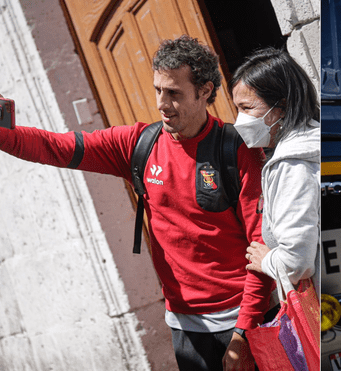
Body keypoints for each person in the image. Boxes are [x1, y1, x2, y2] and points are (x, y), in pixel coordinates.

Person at [0, 35, 273, 371]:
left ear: (204, 91)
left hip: (243, 322)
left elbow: (263, 247)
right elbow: (55, 146)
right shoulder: (137, 143)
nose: (162, 102)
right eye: (159, 89)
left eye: (173, 92)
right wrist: (3, 133)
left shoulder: (239, 150)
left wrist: (244, 333)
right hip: (184, 326)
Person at [230, 47, 320, 297]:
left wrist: (266, 260)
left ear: (281, 106)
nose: (240, 120)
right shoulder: (314, 139)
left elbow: (295, 263)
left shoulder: (291, 164)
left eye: (247, 108)